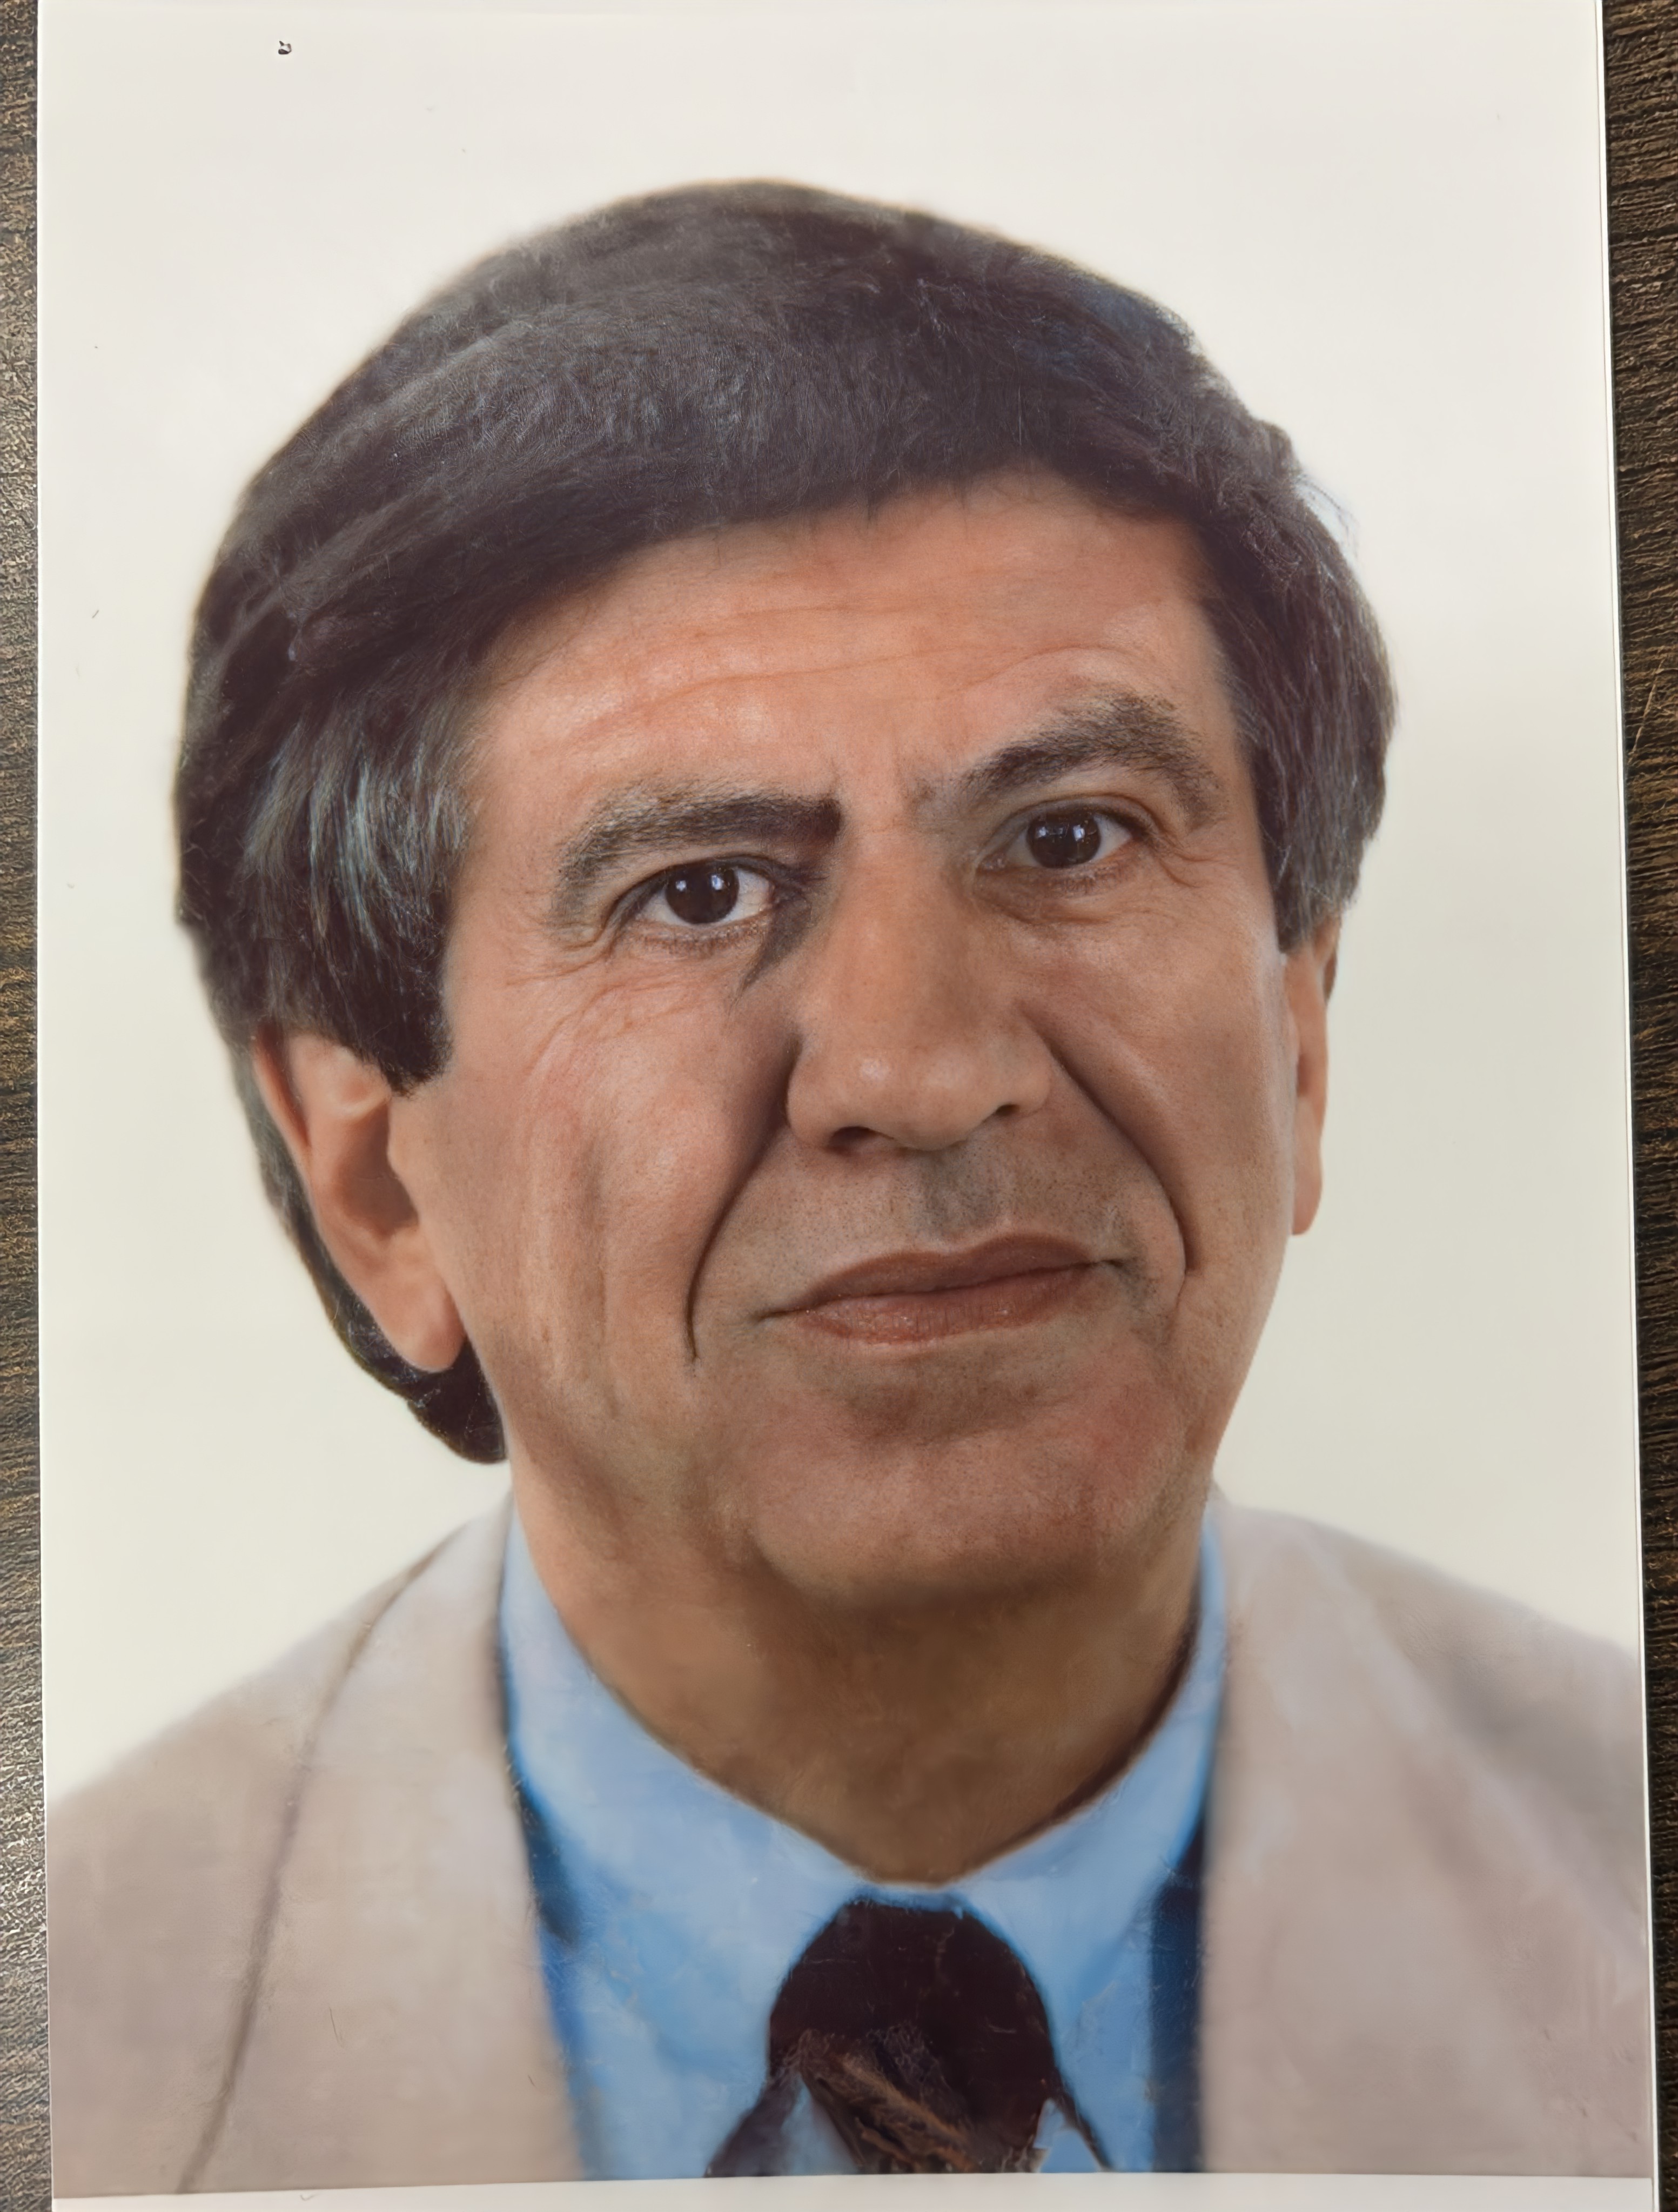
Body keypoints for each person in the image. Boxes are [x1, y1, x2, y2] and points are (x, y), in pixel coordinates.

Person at [48, 183, 1650, 2194]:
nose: (920, 1069)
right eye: (697, 891)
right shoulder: (77, 2045)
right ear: (373, 1181)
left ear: (1298, 1038)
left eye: (1068, 839)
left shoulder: (1619, 1878)